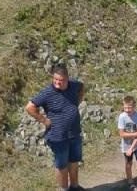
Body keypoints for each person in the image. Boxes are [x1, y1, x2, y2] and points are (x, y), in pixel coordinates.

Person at [25, 63, 86, 191]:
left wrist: (77, 102)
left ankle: (75, 187)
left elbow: (81, 87)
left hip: (74, 132)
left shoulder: (74, 85)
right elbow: (30, 107)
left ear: (67, 78)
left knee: (74, 161)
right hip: (58, 136)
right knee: (62, 165)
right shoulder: (47, 92)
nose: (57, 83)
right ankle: (64, 189)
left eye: (61, 80)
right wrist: (43, 120)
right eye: (55, 80)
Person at [117, 95, 137, 191]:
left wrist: (131, 148)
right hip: (126, 145)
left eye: (129, 107)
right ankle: (131, 183)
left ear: (134, 106)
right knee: (128, 164)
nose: (127, 110)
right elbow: (122, 134)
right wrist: (136, 134)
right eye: (125, 107)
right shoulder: (122, 117)